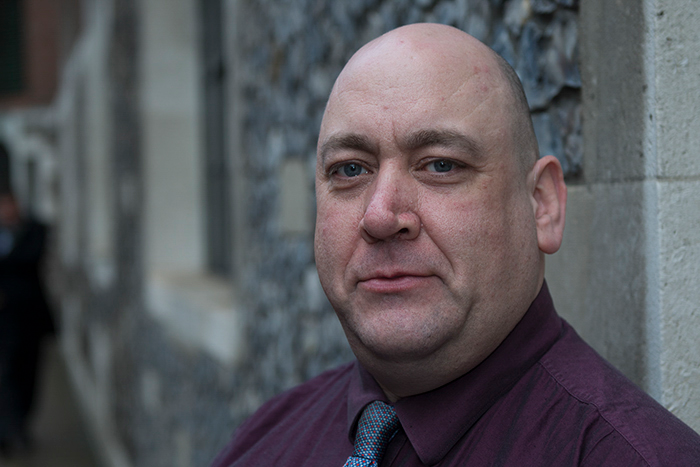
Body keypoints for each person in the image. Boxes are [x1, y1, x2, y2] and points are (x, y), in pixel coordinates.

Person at [212, 24, 700, 466]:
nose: (380, 216)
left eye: (440, 165)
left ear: (542, 206)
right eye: (350, 169)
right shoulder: (263, 441)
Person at [0, 187, 55, 457]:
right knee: (7, 373)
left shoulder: (34, 230)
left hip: (29, 317)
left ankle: (21, 424)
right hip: (4, 320)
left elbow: (29, 259)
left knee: (29, 373)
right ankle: (10, 430)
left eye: (9, 205)